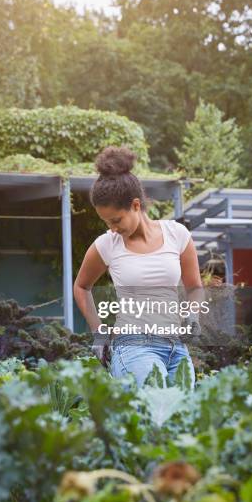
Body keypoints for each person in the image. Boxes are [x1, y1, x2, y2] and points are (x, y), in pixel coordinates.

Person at [73, 146, 206, 389]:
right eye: (106, 222)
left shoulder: (177, 234)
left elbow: (195, 286)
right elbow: (81, 287)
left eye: (116, 220)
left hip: (176, 346)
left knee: (182, 416)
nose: (112, 228)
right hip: (133, 346)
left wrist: (193, 314)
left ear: (136, 205)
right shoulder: (107, 245)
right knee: (154, 409)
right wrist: (99, 331)